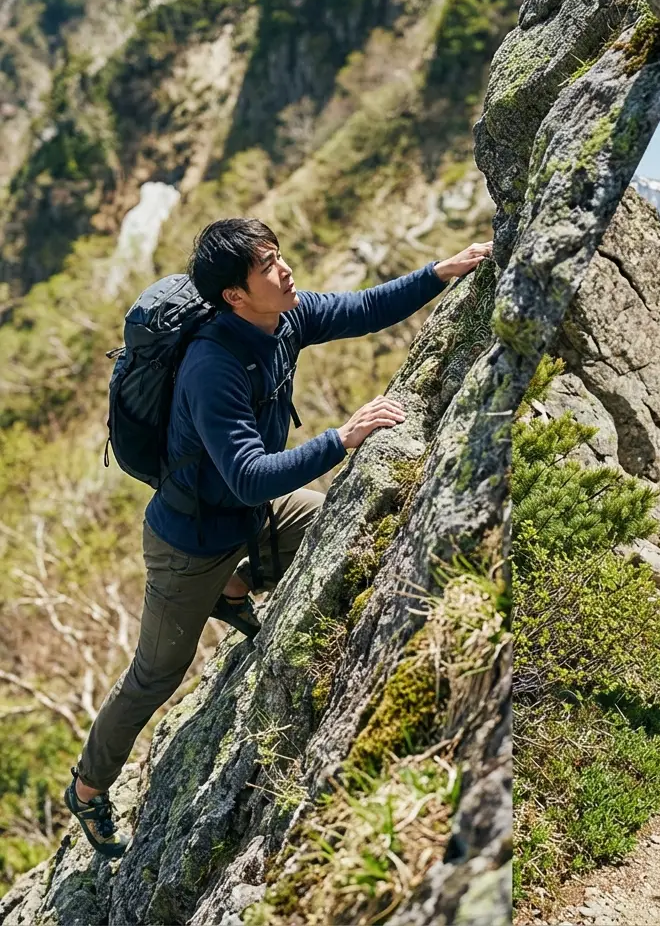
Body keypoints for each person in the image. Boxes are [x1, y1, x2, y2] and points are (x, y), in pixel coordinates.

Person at [63, 217, 493, 856]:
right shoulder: (214, 366)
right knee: (156, 675)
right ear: (235, 296)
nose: (284, 269)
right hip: (192, 542)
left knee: (337, 520)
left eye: (278, 255)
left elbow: (361, 308)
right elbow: (246, 478)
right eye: (267, 265)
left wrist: (441, 271)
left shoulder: (282, 317)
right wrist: (340, 438)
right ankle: (88, 788)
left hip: (242, 517)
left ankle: (232, 589)